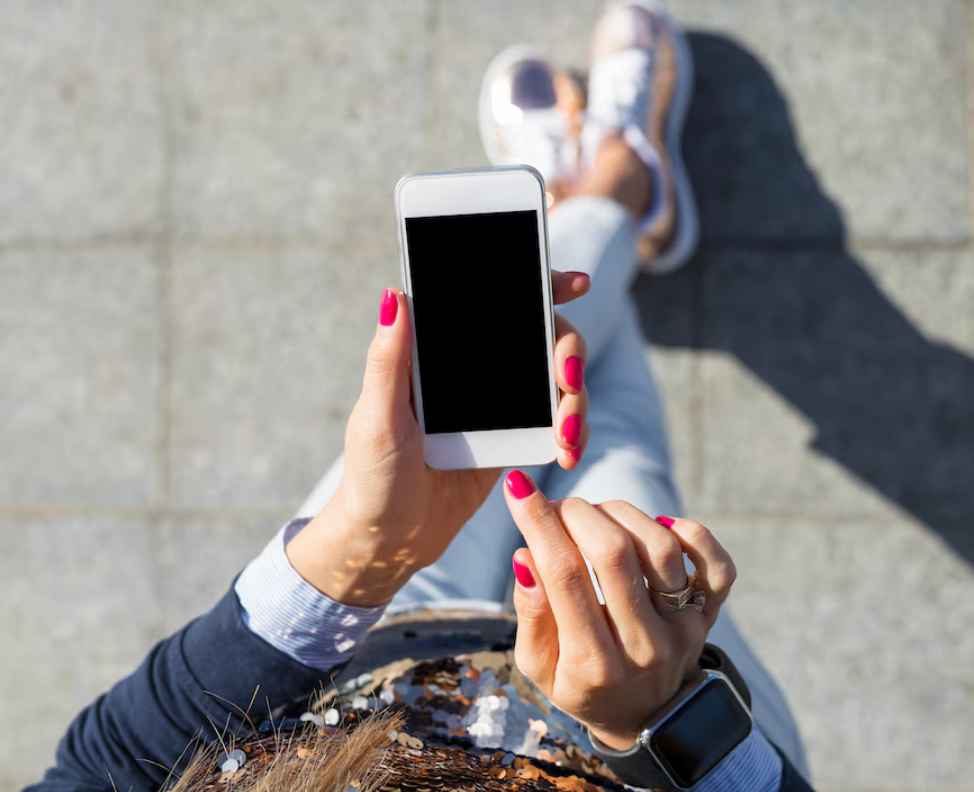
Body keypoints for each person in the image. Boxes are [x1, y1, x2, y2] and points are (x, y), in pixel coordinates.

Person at [24, 2, 814, 791]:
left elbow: (102, 767)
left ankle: (610, 195)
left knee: (561, 383)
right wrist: (654, 716)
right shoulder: (652, 705)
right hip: (641, 705)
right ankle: (615, 187)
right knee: (616, 454)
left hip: (385, 634)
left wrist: (359, 551)